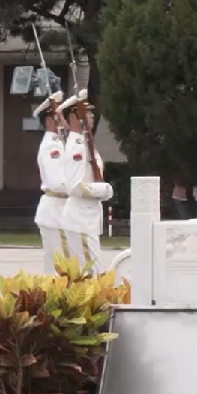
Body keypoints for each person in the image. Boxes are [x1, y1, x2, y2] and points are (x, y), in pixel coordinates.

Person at [60, 95, 114, 270]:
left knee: (92, 271)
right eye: (87, 113)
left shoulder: (84, 143)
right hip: (81, 218)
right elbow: (75, 187)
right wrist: (103, 189)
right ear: (75, 117)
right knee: (91, 272)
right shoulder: (77, 147)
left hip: (87, 217)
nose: (91, 117)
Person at [31, 92, 70, 271]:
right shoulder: (52, 146)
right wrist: (81, 188)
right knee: (60, 267)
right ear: (49, 120)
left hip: (58, 210)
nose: (64, 120)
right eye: (59, 116)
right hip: (56, 211)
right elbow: (56, 183)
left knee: (59, 266)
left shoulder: (60, 143)